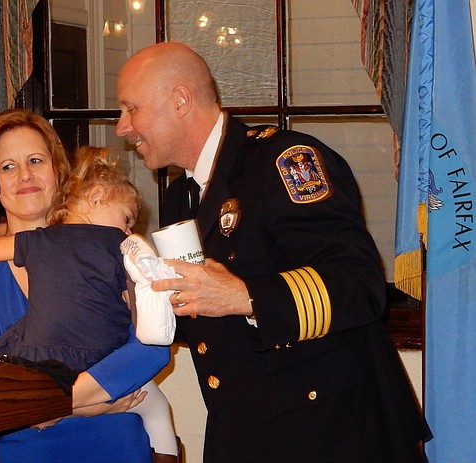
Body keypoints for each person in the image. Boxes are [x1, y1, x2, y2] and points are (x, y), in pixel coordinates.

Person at [115, 41, 431, 463]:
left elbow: (359, 285)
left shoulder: (285, 162)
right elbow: (207, 323)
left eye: (130, 108)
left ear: (180, 101)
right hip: (250, 430)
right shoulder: (180, 198)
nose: (122, 127)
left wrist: (243, 296)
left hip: (336, 433)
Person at [0, 109, 171, 463]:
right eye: (8, 167)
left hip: (113, 444)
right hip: (21, 450)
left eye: (35, 160)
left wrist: (55, 404)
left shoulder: (112, 244)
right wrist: (83, 404)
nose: (24, 175)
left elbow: (152, 346)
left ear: (59, 172)